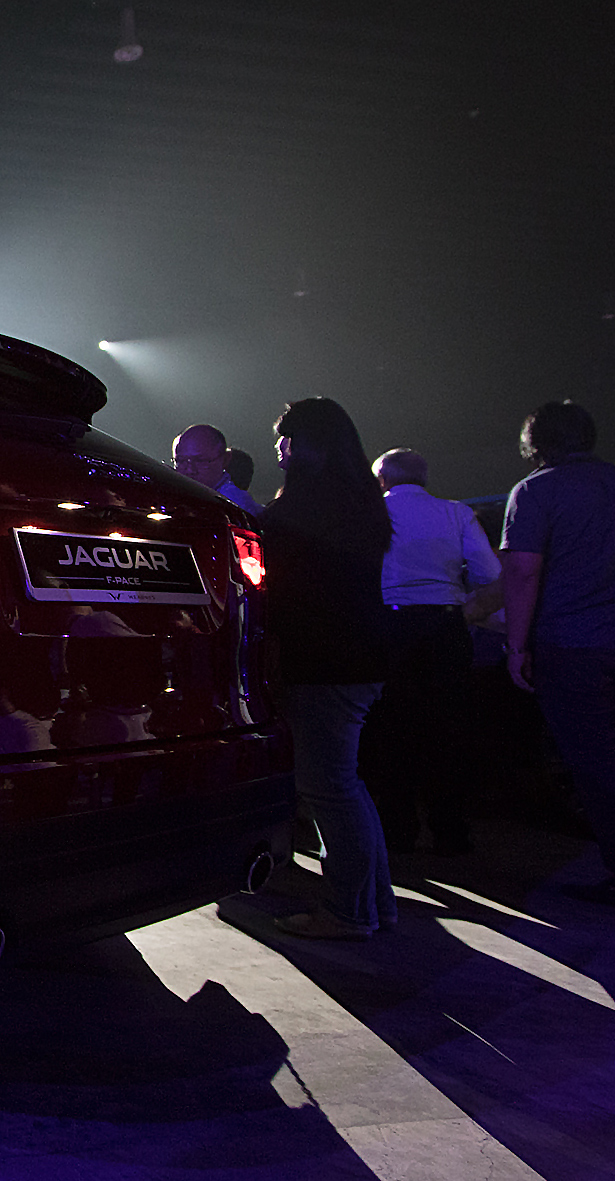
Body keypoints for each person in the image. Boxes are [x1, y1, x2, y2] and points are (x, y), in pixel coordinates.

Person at [262, 398, 395, 940]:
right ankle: (374, 904)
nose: (278, 448)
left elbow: (282, 590)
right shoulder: (360, 501)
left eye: (285, 437)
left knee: (328, 788)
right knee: (346, 785)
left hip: (323, 662)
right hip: (361, 656)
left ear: (304, 445)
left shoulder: (300, 508)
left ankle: (347, 912)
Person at [500, 400, 615, 905]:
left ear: (535, 443)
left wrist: (516, 645)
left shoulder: (535, 491)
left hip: (572, 645)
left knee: (594, 763)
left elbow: (523, 572)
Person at [360, 447, 500, 855]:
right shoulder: (456, 512)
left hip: (390, 626)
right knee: (448, 728)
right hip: (445, 626)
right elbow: (489, 573)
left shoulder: (371, 513)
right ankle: (450, 831)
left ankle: (396, 829)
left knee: (391, 728)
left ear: (381, 479)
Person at [171, 423, 260, 516]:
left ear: (225, 459)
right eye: (181, 461)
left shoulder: (234, 504)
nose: (190, 470)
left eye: (200, 461)